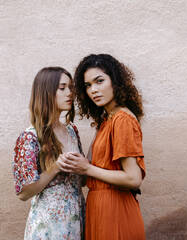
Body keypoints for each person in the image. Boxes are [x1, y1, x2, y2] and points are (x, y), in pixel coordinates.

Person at [58, 54, 146, 240]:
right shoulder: (107, 120)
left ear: (116, 81)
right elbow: (85, 171)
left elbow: (133, 178)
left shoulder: (121, 120)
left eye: (99, 81)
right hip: (99, 208)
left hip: (115, 210)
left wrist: (87, 168)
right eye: (88, 85)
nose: (93, 90)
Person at [12, 67, 85, 240]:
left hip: (77, 219)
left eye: (71, 87)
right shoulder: (30, 137)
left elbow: (81, 181)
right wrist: (55, 167)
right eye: (62, 88)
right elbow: (23, 193)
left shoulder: (72, 130)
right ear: (46, 92)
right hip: (49, 225)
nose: (70, 93)